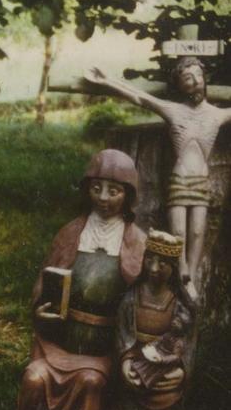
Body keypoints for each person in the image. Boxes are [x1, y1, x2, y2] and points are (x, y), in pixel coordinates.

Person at [3, 149, 149, 410]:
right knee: (35, 376)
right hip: (60, 341)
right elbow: (46, 278)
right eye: (97, 188)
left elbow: (143, 297)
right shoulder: (71, 232)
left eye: (114, 190)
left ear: (129, 195)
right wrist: (42, 307)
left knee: (90, 381)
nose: (104, 197)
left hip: (102, 347)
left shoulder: (136, 241)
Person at [85, 58, 231, 299]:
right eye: (188, 78)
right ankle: (182, 274)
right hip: (180, 180)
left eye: (198, 76)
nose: (195, 82)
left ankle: (190, 278)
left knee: (197, 232)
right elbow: (142, 98)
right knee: (180, 234)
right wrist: (107, 80)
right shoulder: (174, 111)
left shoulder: (216, 115)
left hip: (201, 183)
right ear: (179, 86)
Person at [115, 230, 193, 410]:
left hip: (166, 374)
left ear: (173, 269)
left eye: (163, 264)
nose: (155, 269)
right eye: (150, 261)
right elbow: (124, 336)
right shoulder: (131, 298)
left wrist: (181, 371)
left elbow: (187, 345)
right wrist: (125, 363)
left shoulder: (179, 305)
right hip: (137, 371)